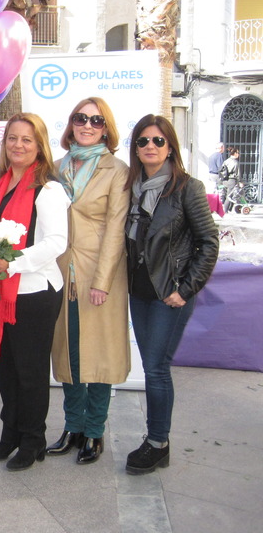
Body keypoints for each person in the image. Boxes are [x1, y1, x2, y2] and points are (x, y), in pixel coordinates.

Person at [124, 114, 218, 475]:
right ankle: (156, 439)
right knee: (151, 366)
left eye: (158, 141)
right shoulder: (132, 187)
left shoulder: (186, 188)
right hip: (139, 291)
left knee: (156, 368)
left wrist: (185, 289)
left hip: (170, 294)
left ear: (170, 147)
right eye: (143, 141)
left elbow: (209, 243)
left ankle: (157, 442)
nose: (150, 146)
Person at [0, 113, 70, 472]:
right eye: (12, 138)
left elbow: (56, 243)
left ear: (39, 146)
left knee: (30, 372)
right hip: (1, 291)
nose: (18, 145)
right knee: (5, 369)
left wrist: (11, 264)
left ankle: (34, 441)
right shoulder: (0, 183)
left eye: (26, 140)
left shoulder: (48, 189)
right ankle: (11, 434)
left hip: (33, 292)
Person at [46, 99, 130, 465]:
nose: (87, 125)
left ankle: (94, 431)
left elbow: (116, 228)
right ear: (71, 124)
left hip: (101, 273)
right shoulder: (55, 168)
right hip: (62, 270)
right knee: (68, 352)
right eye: (81, 118)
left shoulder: (118, 170)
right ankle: (72, 427)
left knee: (98, 354)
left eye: (96, 120)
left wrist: (103, 280)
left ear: (106, 128)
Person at [220, 147, 241, 213]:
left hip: (225, 180)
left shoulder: (226, 161)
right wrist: (240, 181)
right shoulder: (235, 162)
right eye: (238, 153)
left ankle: (227, 209)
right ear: (234, 153)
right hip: (232, 180)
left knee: (225, 194)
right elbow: (238, 173)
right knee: (230, 196)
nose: (239, 154)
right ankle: (225, 210)